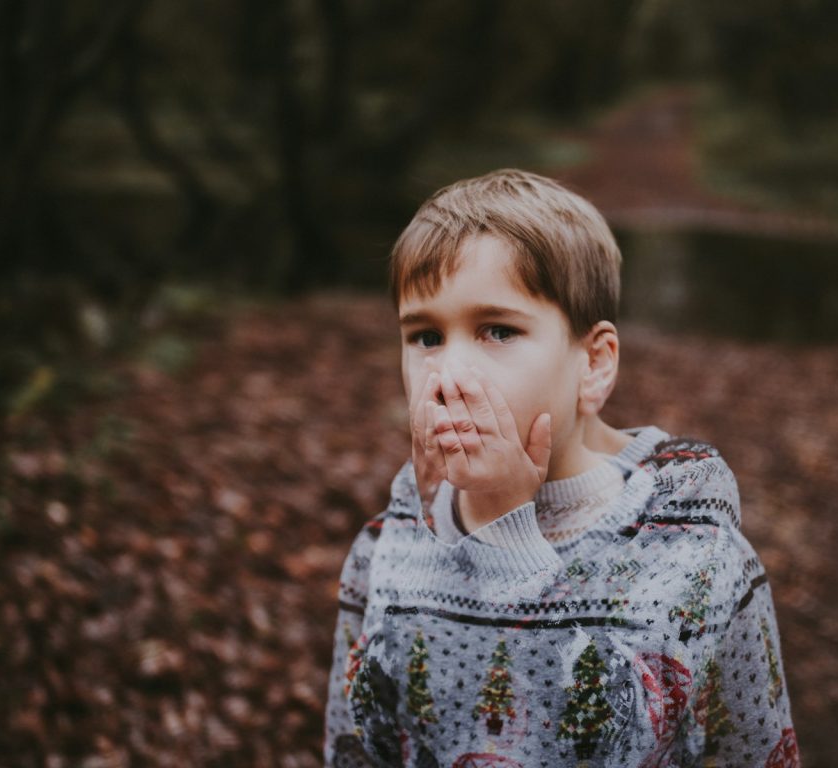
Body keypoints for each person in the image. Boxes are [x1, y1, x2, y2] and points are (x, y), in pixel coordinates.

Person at [323, 169, 798, 767]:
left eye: (498, 330)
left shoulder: (697, 561)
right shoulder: (385, 549)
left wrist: (506, 532)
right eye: (424, 336)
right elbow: (357, 745)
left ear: (594, 364)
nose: (448, 377)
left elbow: (611, 744)